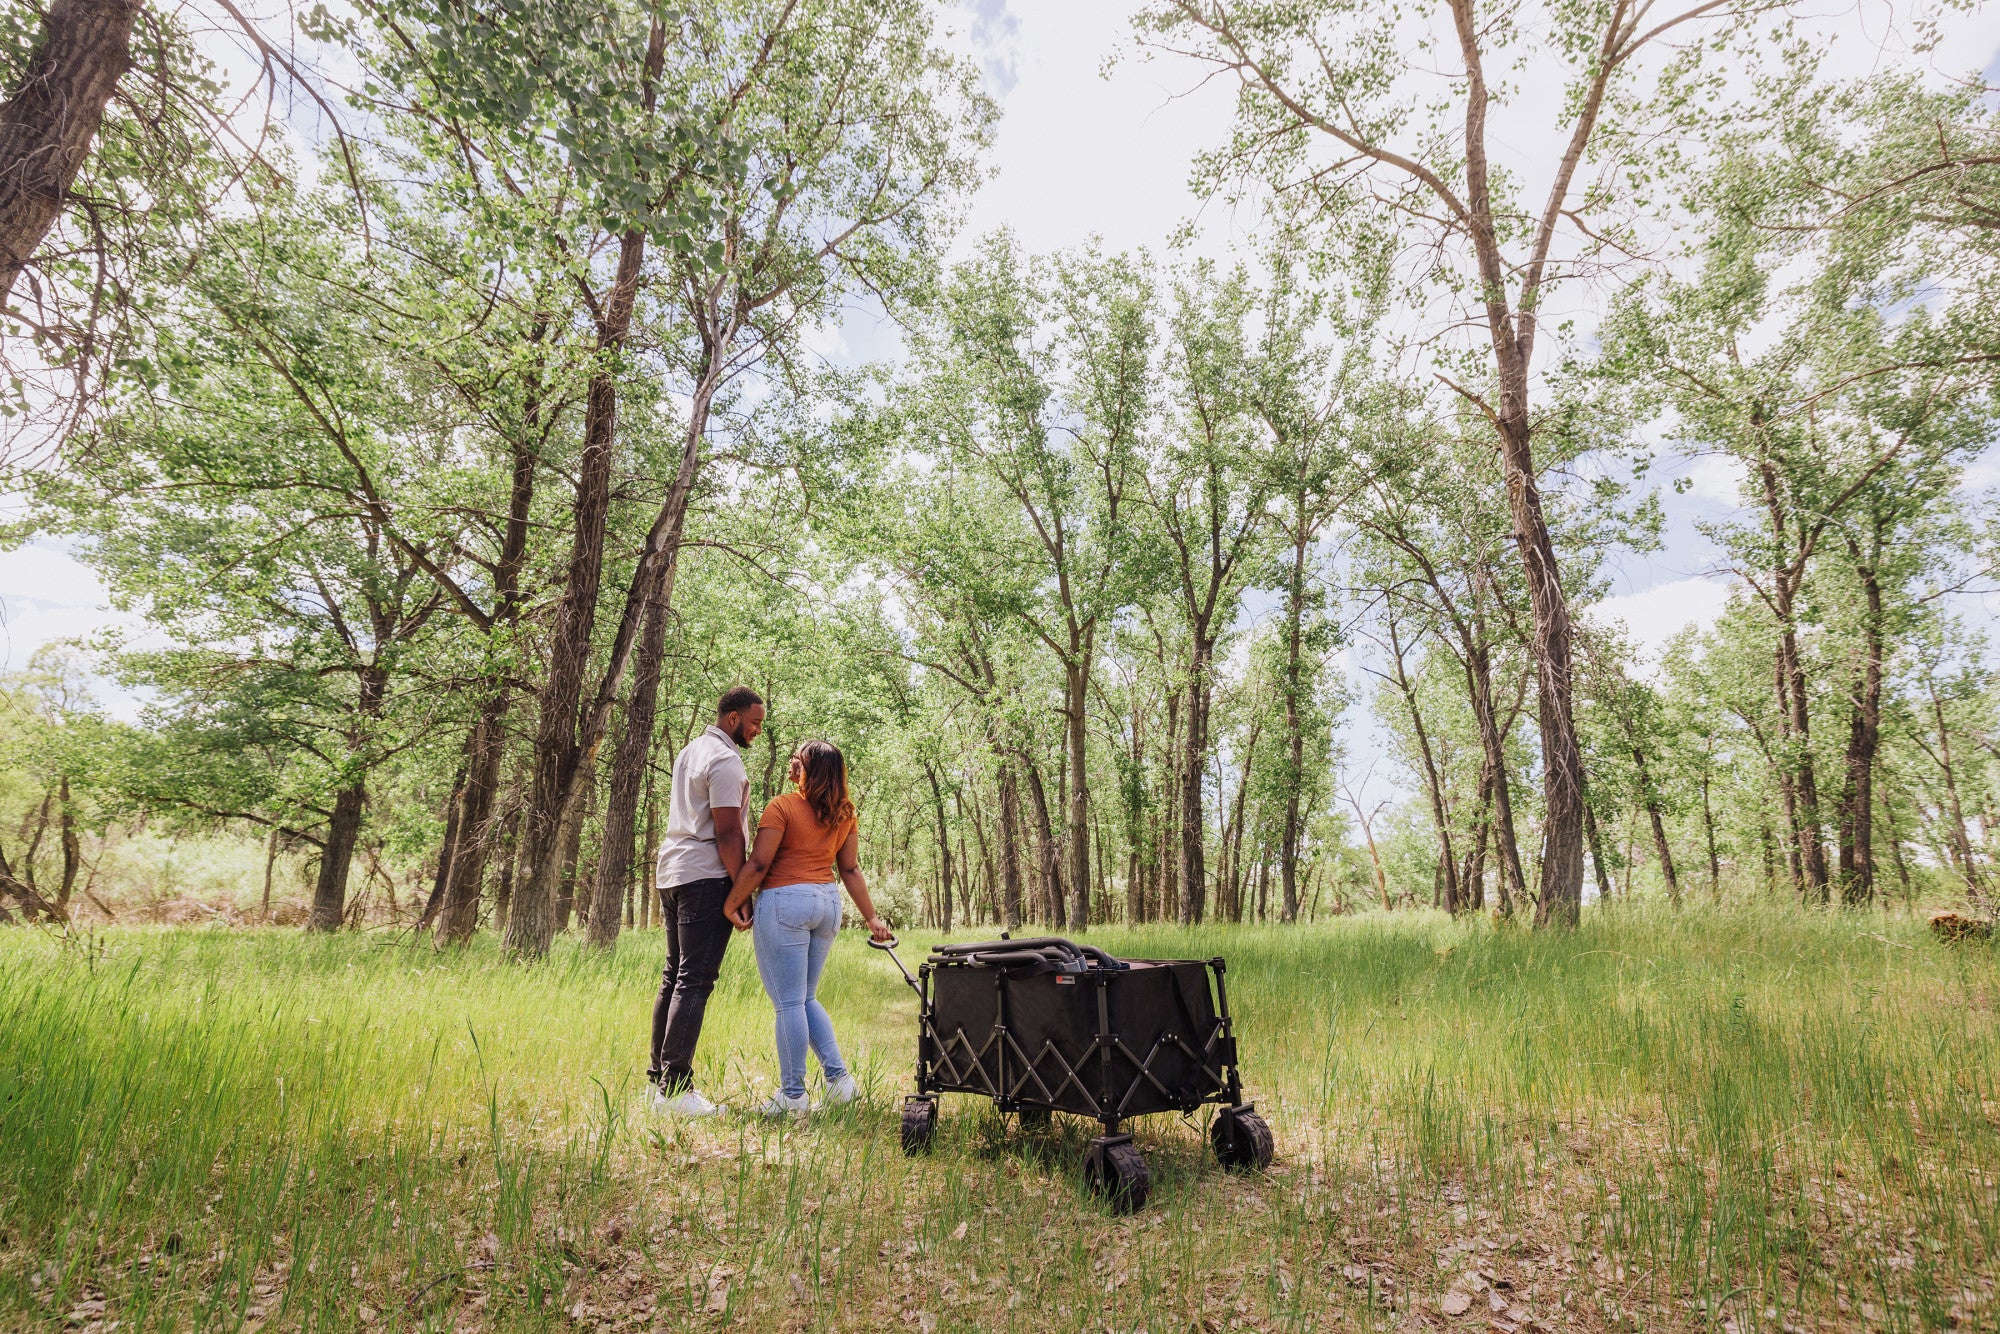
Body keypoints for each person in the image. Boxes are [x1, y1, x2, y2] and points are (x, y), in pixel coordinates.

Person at [724, 739, 892, 1117]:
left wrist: (731, 903)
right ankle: (840, 1084)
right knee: (805, 998)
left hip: (786, 903)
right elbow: (849, 869)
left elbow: (758, 865)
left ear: (811, 770)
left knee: (788, 1003)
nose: (790, 766)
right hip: (827, 904)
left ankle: (793, 1096)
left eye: (796, 762)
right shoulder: (845, 814)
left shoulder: (782, 806)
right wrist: (871, 917)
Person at [648, 685, 764, 1117]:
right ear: (732, 717)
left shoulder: (690, 751)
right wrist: (741, 891)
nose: (757, 731)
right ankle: (676, 1089)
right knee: (694, 980)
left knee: (675, 975)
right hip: (704, 877)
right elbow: (728, 832)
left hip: (672, 872)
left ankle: (657, 1084)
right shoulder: (725, 760)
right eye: (754, 722)